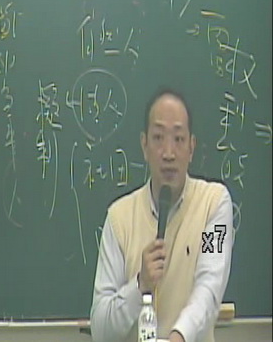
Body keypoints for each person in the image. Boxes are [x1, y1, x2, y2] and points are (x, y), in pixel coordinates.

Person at [90, 88, 233, 342]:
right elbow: (100, 330)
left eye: (178, 139)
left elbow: (209, 287)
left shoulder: (214, 204)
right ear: (144, 146)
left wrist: (179, 336)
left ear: (191, 147)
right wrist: (140, 285)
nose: (168, 153)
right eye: (158, 138)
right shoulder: (118, 218)